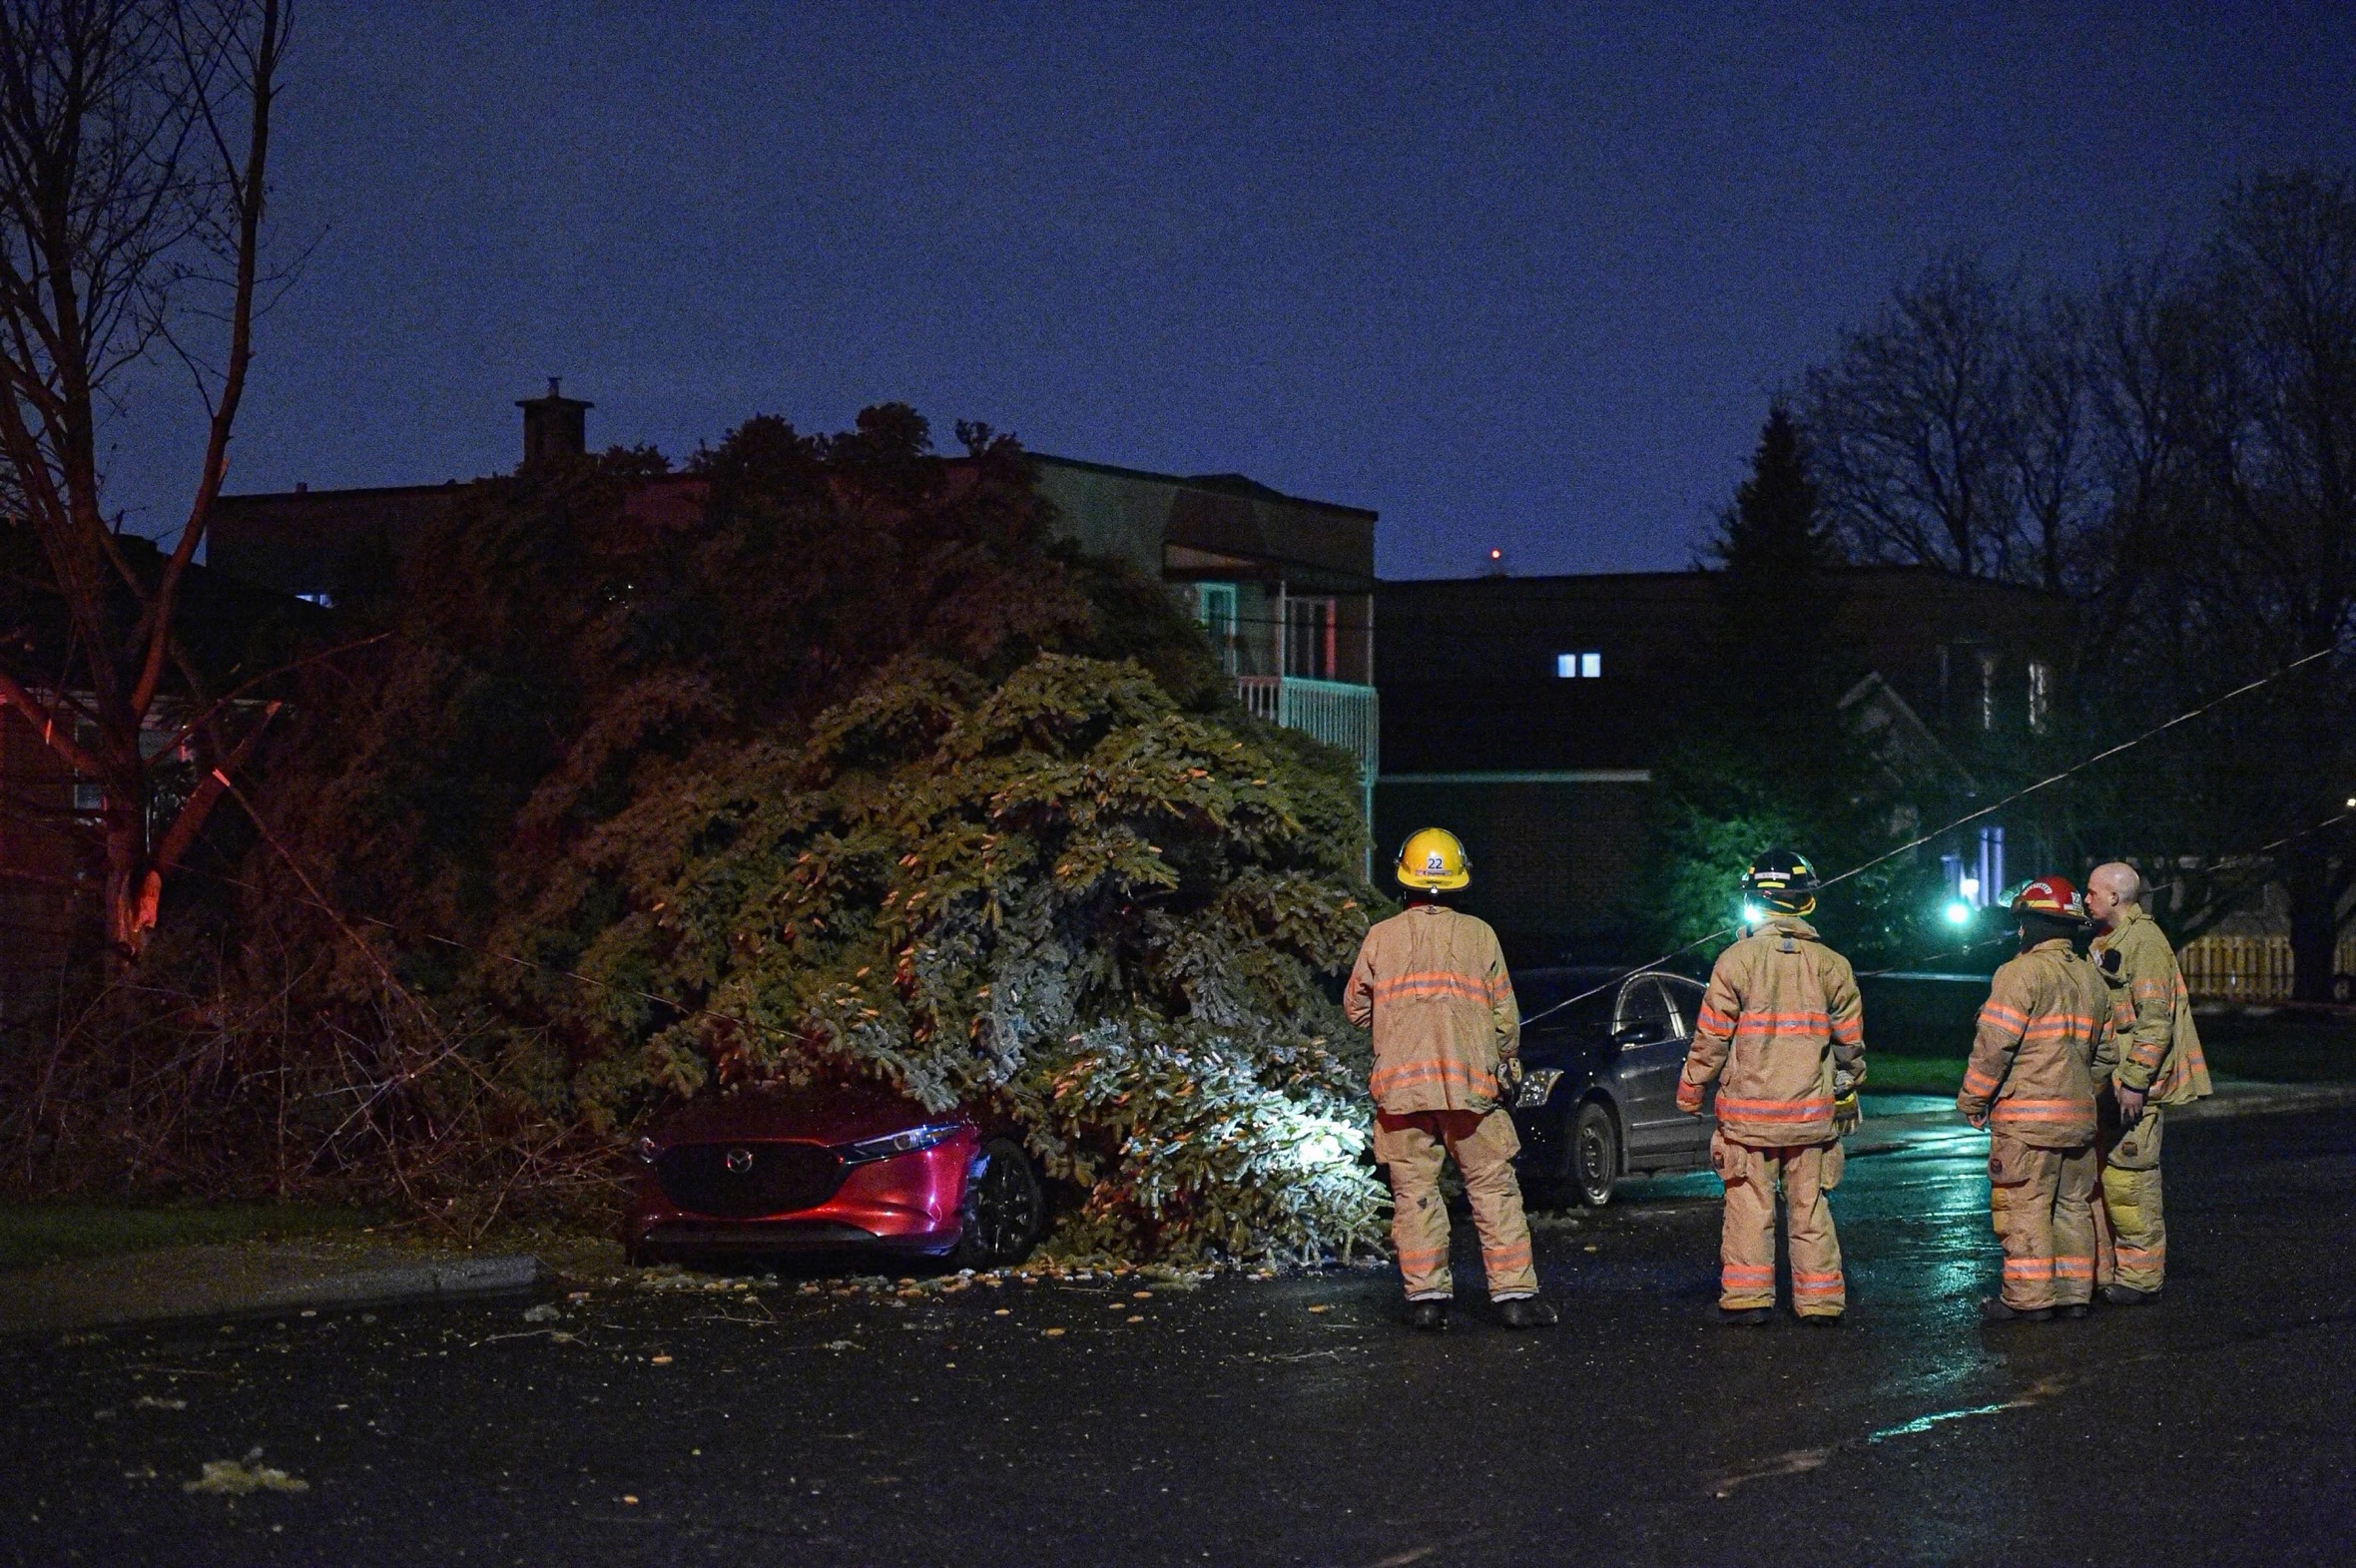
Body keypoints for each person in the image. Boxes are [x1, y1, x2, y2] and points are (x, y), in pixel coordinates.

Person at [1345, 827, 1555, 1331]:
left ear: (1404, 879)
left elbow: (1355, 1009)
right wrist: (1506, 1063)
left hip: (1402, 1097)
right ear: (1459, 880)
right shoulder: (1480, 934)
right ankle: (1515, 1299)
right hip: (1471, 1092)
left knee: (1415, 1195)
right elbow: (1506, 1017)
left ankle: (1427, 1302)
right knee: (1493, 1189)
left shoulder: (1380, 937)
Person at [1676, 849, 1864, 1325]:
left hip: (1749, 1122)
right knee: (1811, 1211)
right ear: (1806, 902)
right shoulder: (1833, 965)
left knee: (1748, 1208)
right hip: (1811, 1122)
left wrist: (1690, 1092)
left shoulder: (1734, 961)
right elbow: (1850, 1046)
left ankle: (1748, 1300)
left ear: (1754, 902)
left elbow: (1710, 1039)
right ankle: (1819, 1303)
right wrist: (1847, 1086)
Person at [1957, 876, 2117, 1321]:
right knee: (2073, 1207)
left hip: (2026, 1122)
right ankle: (2074, 1295)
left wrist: (1973, 1099)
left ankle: (2029, 1300)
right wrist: (2080, 1093)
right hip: (2079, 1119)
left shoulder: (2019, 973)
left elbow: (1994, 1045)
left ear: (2029, 924)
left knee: (2023, 1206)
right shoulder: (2092, 979)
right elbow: (2106, 1056)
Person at [2083, 861, 2213, 1305]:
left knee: (2130, 1181)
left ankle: (2141, 1279)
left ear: (2115, 897)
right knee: (2106, 1180)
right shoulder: (2109, 939)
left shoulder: (2145, 942)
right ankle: (2112, 1273)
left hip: (2133, 1088)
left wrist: (2135, 1081)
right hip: (2110, 1084)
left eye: (2092, 892)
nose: (2086, 899)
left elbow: (2154, 1021)